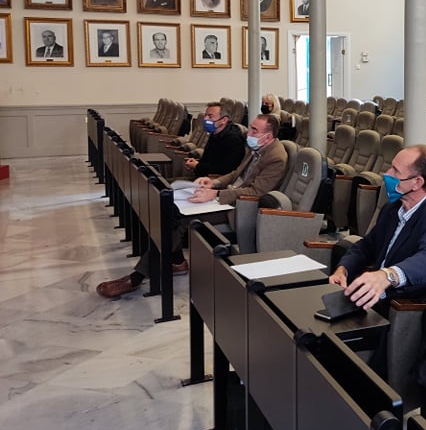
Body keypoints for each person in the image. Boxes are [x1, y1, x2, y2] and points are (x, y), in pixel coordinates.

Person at [96, 115, 288, 298]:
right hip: (227, 197)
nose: (249, 133)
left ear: (268, 136)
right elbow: (236, 174)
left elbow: (256, 192)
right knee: (170, 208)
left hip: (241, 209)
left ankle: (137, 277)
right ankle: (177, 262)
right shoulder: (257, 148)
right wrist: (214, 183)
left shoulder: (276, 157)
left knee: (179, 218)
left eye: (254, 130)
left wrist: (217, 194)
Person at [330, 144, 426, 312]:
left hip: (400, 308)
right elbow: (367, 245)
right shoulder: (393, 208)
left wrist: (387, 276)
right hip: (372, 298)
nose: (387, 174)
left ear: (417, 182)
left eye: (396, 171)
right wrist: (343, 270)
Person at [183, 102, 246, 178]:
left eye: (210, 116)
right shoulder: (215, 133)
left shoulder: (233, 139)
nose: (205, 119)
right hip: (202, 177)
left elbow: (227, 169)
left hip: (213, 181)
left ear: (224, 120)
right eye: (206, 115)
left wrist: (197, 166)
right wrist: (196, 163)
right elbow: (210, 161)